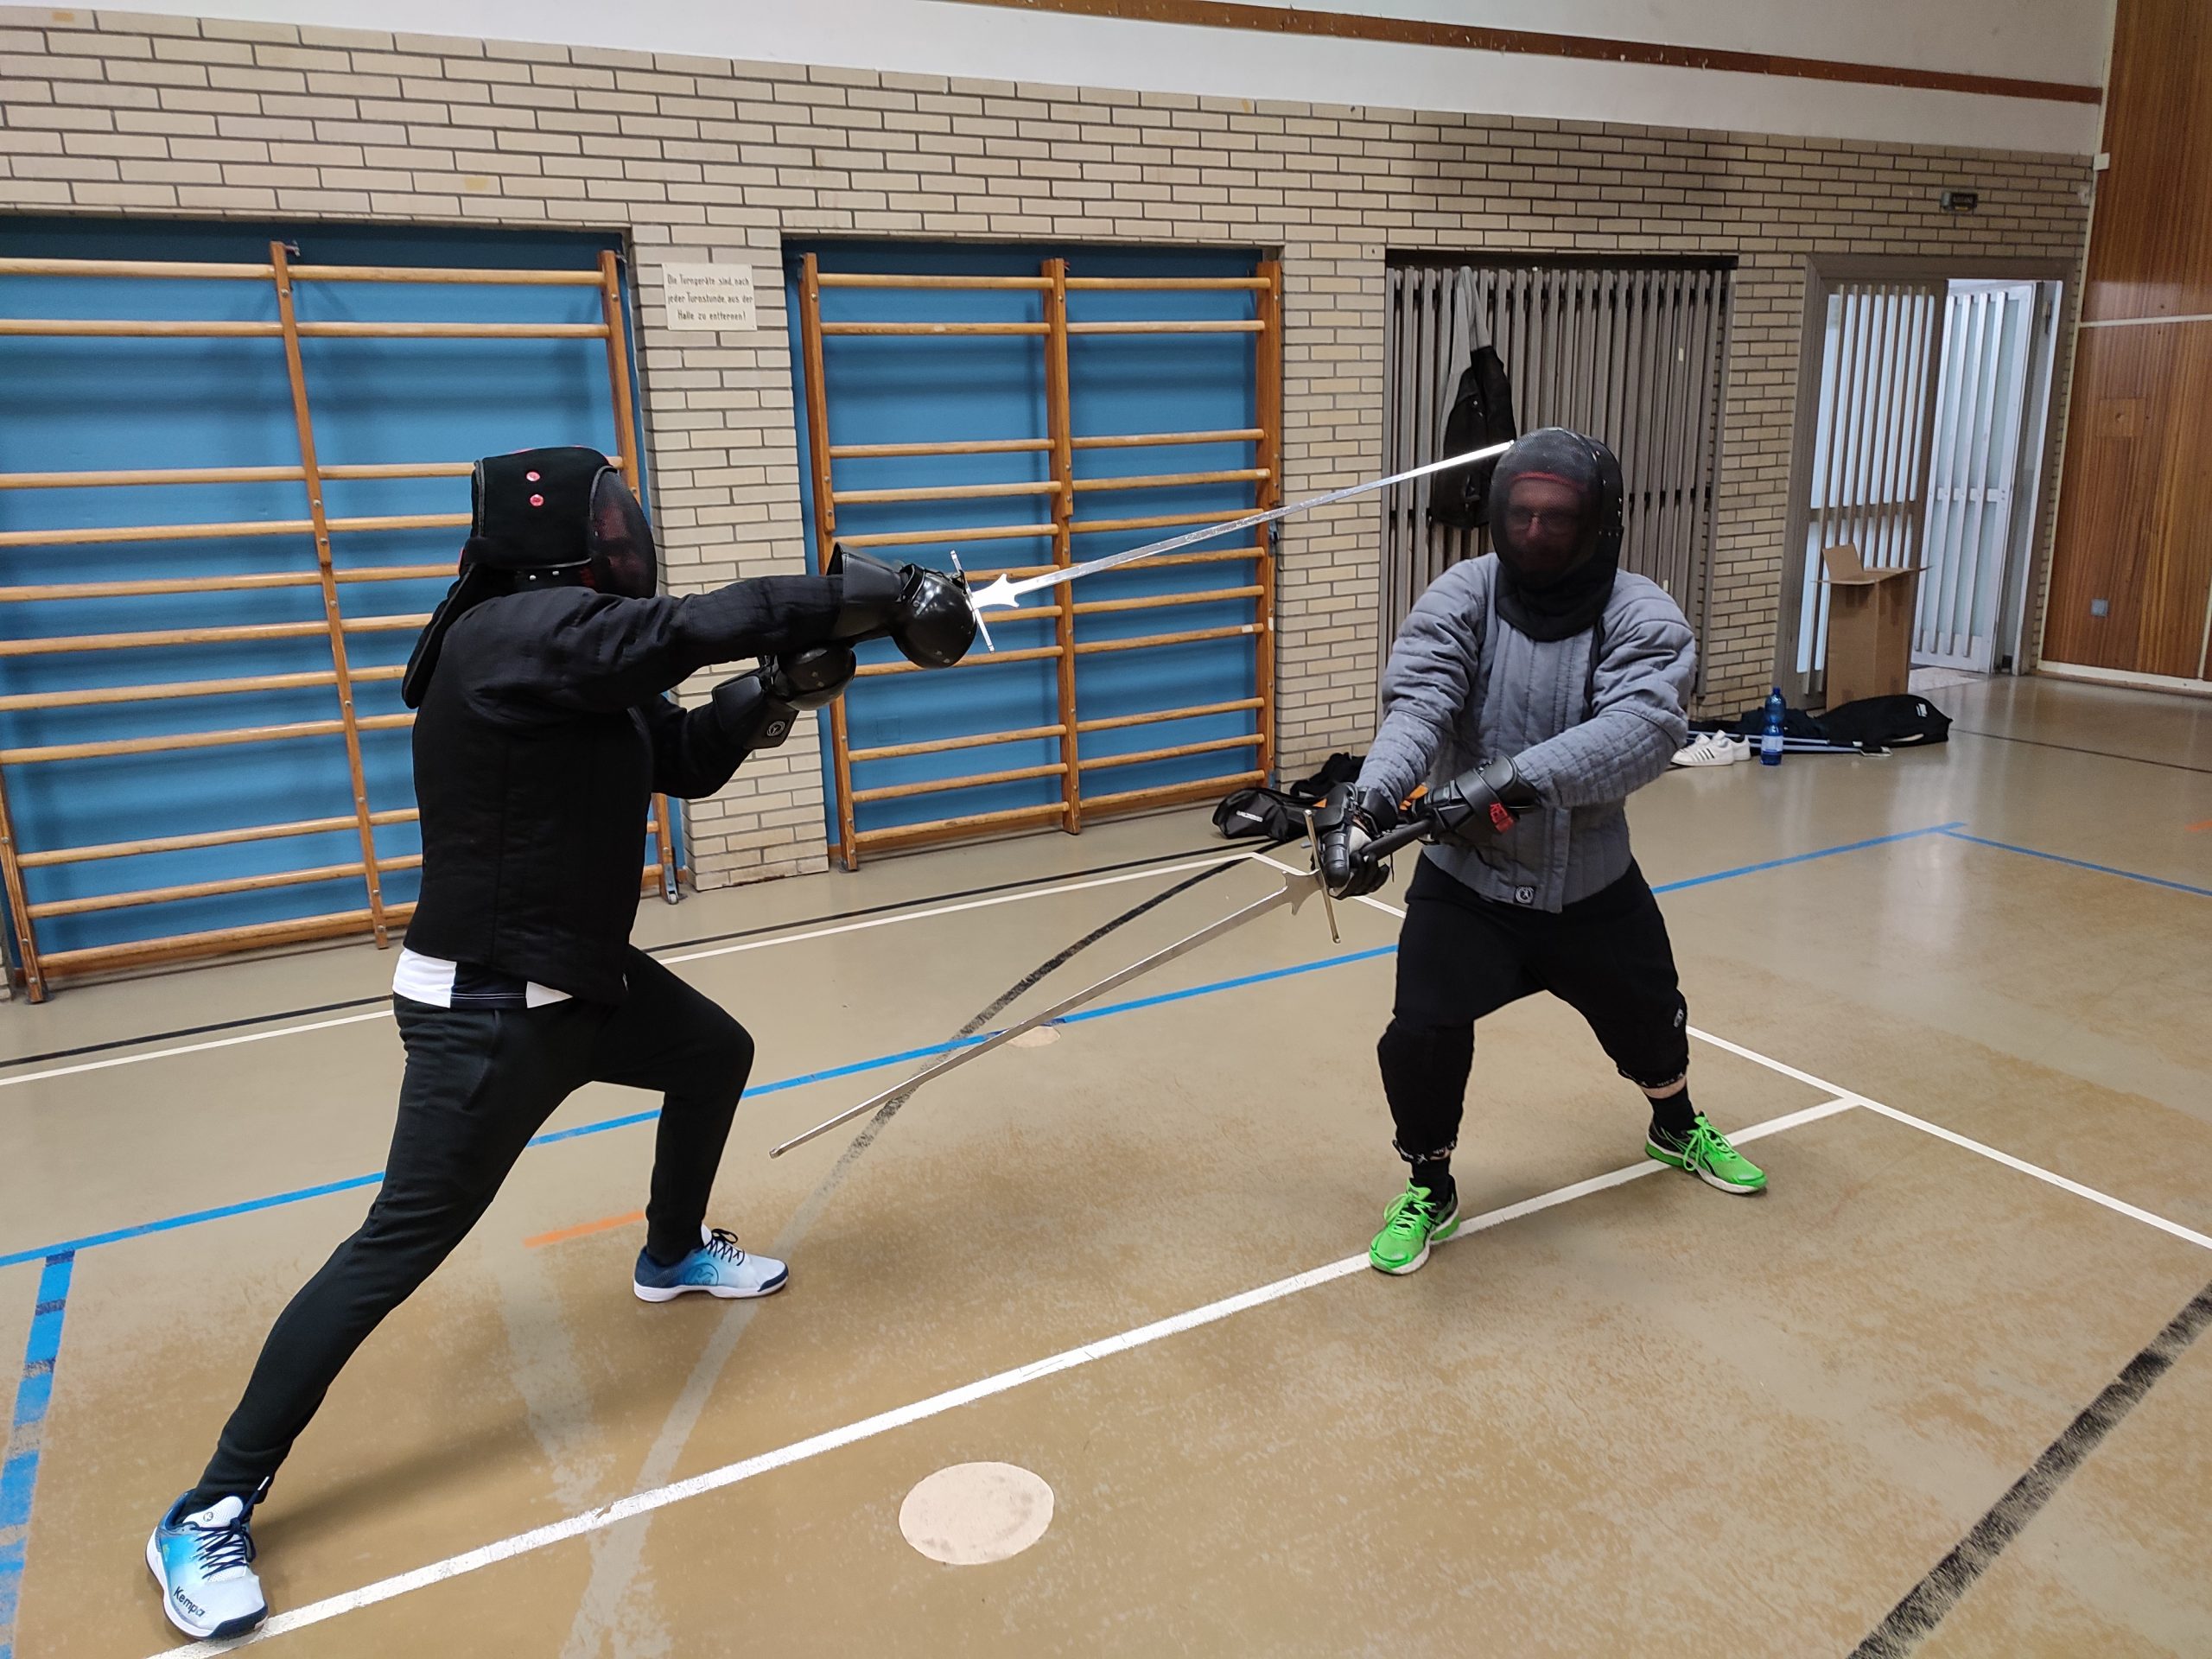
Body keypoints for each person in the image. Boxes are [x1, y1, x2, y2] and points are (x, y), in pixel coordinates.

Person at [146, 448, 976, 1640]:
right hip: (488, 1012)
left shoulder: (578, 656)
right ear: (557, 540)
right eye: (610, 520)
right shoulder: (510, 634)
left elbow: (681, 761)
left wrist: (776, 692)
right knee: (394, 1247)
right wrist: (882, 594)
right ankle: (209, 1506)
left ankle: (670, 1254)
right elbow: (694, 627)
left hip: (581, 976)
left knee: (713, 1055)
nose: (627, 535)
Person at [1319, 427, 1764, 1278]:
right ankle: (1429, 1187)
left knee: (1651, 1023)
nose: (1534, 530)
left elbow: (1642, 729)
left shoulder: (1641, 613)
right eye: (1520, 513)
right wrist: (1370, 804)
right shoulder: (1463, 593)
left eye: (1556, 516)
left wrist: (1505, 782)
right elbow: (1420, 705)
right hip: (1468, 880)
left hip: (1589, 880)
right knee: (1420, 1034)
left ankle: (1676, 1126)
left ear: (1598, 522)